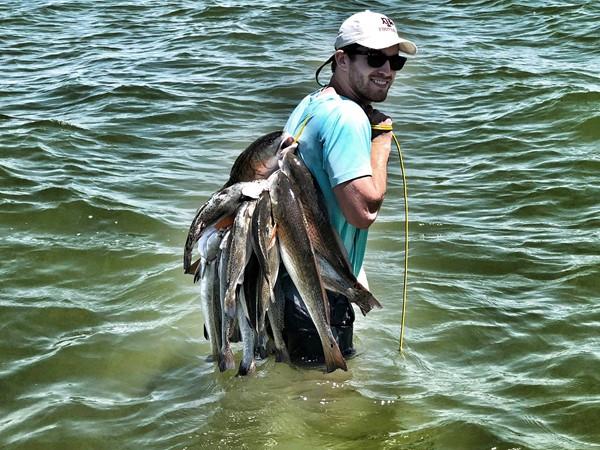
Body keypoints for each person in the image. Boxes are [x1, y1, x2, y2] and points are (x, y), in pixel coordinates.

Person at [280, 10, 417, 364]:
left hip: (287, 282)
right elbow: (362, 211)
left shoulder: (312, 105)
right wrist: (382, 141)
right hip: (317, 295)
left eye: (394, 61)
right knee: (329, 410)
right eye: (374, 58)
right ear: (341, 59)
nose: (386, 70)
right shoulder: (348, 118)